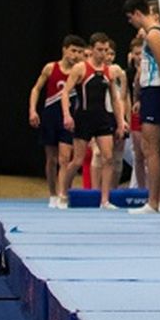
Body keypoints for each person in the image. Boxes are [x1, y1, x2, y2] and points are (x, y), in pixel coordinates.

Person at [124, 0, 160, 214]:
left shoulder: (154, 33)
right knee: (156, 149)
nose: (132, 23)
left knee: (151, 149)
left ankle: (153, 202)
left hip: (156, 91)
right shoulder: (153, 33)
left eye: (131, 18)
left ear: (138, 13)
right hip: (152, 91)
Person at [59, 34, 130, 207]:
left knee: (108, 158)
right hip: (83, 117)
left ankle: (104, 199)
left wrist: (120, 122)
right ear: (90, 50)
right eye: (99, 50)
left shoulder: (109, 71)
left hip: (103, 117)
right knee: (77, 160)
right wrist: (67, 115)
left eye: (106, 50)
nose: (103, 54)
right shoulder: (80, 68)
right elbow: (65, 93)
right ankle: (63, 193)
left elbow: (115, 98)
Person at [29, 36, 85, 206]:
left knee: (65, 158)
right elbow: (36, 88)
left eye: (79, 52)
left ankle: (63, 193)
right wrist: (32, 110)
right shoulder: (51, 68)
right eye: (73, 51)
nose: (75, 55)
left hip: (68, 118)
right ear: (64, 49)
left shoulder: (80, 71)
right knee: (51, 160)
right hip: (50, 117)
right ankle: (53, 193)